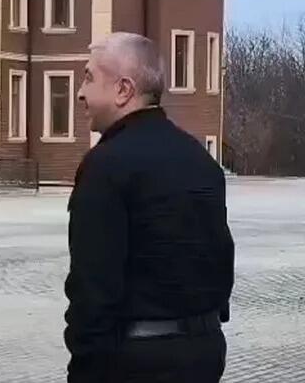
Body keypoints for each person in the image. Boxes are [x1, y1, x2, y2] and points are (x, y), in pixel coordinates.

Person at [65, 32, 235, 382]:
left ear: (123, 90)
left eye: (89, 77)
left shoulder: (105, 166)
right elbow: (220, 257)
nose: (80, 92)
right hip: (204, 353)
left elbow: (93, 289)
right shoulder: (200, 159)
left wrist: (83, 369)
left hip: (135, 363)